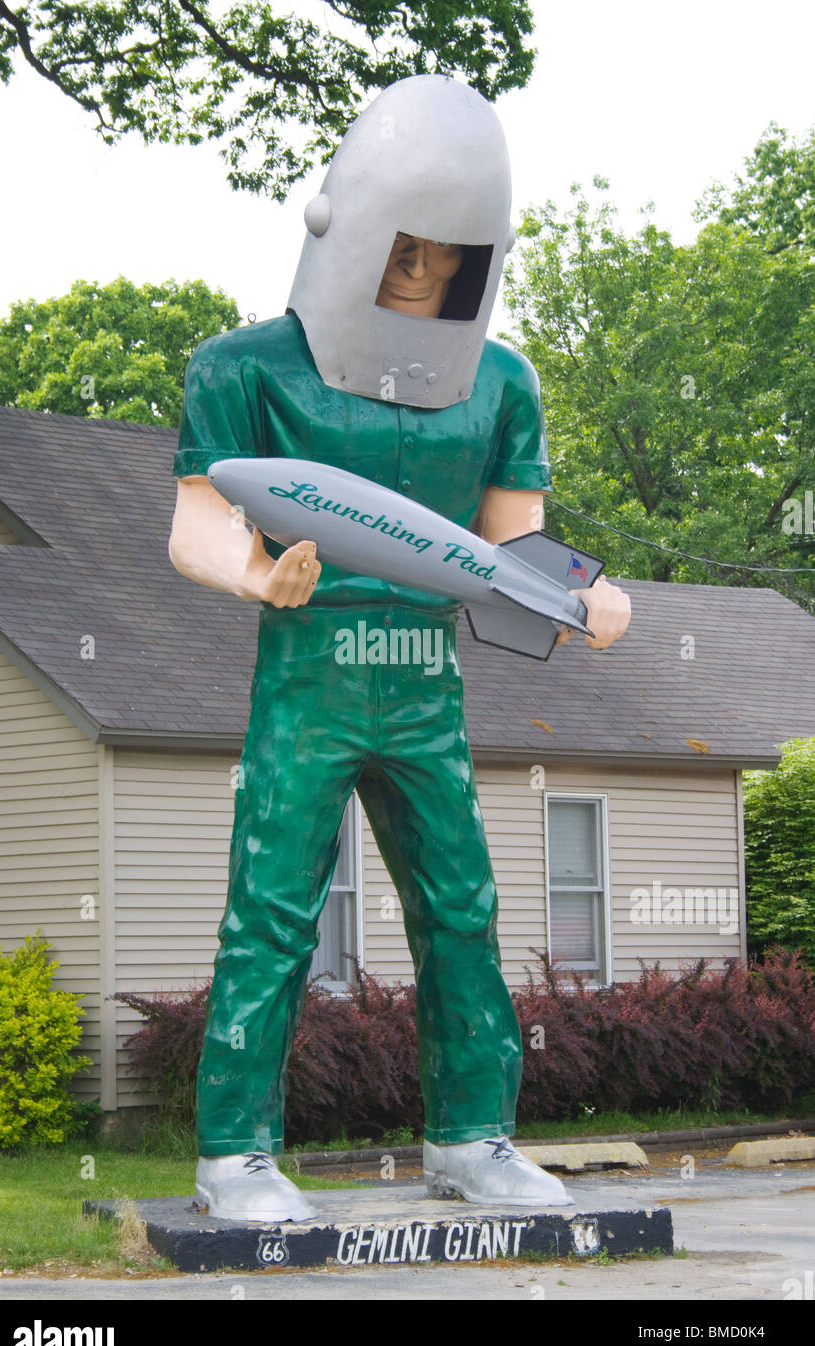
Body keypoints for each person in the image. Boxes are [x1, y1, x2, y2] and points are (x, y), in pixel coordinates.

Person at [168, 75, 631, 1222]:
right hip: (308, 675)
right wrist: (255, 574)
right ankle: (235, 1153)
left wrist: (592, 595)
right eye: (405, 249)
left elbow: (515, 550)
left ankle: (473, 1138)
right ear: (351, 227)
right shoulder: (242, 369)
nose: (423, 274)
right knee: (273, 909)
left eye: (449, 256)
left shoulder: (501, 384)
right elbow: (196, 517)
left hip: (427, 680)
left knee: (462, 909)